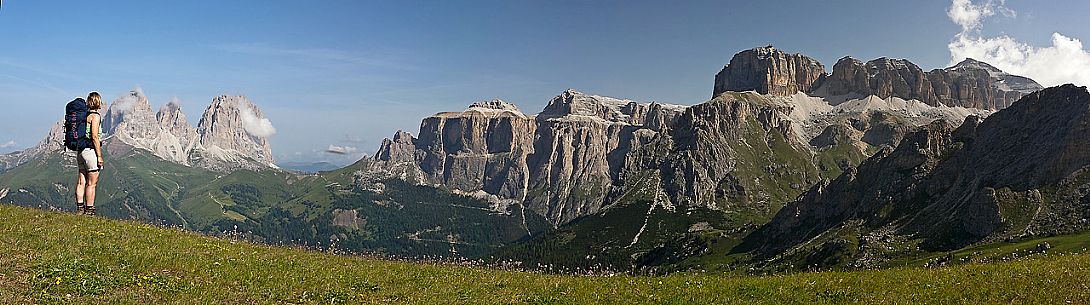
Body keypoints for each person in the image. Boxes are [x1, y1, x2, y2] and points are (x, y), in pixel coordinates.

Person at [75, 91, 104, 216]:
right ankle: (89, 211)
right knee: (91, 184)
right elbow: (94, 136)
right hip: (90, 152)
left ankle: (80, 209)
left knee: (81, 181)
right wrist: (99, 156)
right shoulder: (95, 117)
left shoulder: (83, 116)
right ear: (98, 102)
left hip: (81, 151)